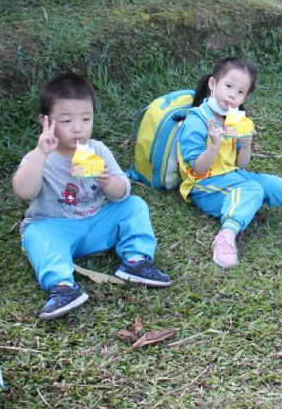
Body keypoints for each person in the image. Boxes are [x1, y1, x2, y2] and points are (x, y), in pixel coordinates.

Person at [13, 73, 171, 321]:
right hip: (56, 226)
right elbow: (23, 191)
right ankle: (62, 286)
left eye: (86, 119)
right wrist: (40, 153)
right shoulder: (41, 157)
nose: (78, 128)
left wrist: (107, 182)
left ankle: (136, 260)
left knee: (135, 206)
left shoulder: (98, 150)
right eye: (66, 121)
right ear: (45, 121)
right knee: (36, 234)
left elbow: (122, 191)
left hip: (96, 223)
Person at [178, 57, 282, 268]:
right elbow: (197, 168)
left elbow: (241, 165)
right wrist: (214, 145)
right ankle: (226, 235)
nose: (233, 95)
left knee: (271, 183)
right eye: (228, 86)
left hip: (231, 175)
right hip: (203, 186)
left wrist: (246, 144)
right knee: (253, 189)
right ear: (213, 83)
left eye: (240, 92)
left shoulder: (233, 120)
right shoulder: (196, 120)